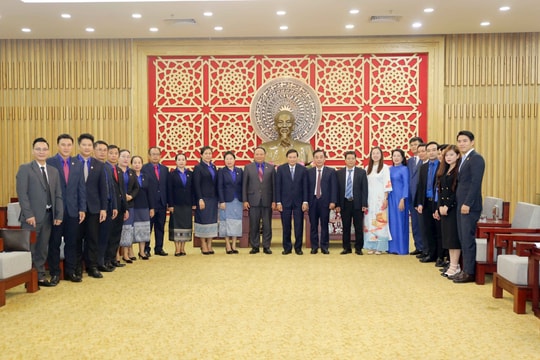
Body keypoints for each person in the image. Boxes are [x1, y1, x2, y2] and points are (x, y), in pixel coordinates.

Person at [16, 137, 63, 287]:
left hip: (49, 216)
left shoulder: (53, 171)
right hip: (32, 217)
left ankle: (40, 277)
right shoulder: (25, 169)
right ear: (32, 151)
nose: (41, 152)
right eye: (38, 149)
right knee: (31, 248)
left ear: (49, 151)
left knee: (43, 248)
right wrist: (29, 214)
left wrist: (58, 214)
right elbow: (22, 194)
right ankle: (28, 278)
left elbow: (58, 195)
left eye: (44, 149)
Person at [46, 134, 86, 284]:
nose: (66, 148)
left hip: (73, 211)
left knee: (72, 242)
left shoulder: (77, 163)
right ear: (58, 146)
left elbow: (81, 188)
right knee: (55, 243)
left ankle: (70, 272)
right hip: (56, 211)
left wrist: (82, 208)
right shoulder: (50, 162)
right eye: (63, 145)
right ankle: (55, 273)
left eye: (69, 145)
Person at [453, 130, 485, 284]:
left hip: (469, 206)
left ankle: (469, 272)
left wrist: (467, 203)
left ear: (472, 142)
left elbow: (475, 183)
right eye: (459, 141)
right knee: (462, 238)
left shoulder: (476, 159)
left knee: (468, 239)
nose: (461, 143)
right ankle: (465, 269)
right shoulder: (464, 159)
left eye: (465, 141)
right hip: (461, 205)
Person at [76, 133, 107, 279]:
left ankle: (92, 267)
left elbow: (103, 188)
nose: (87, 148)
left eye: (89, 145)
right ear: (79, 146)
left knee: (92, 238)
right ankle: (76, 266)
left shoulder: (99, 165)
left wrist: (103, 208)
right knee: (76, 238)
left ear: (92, 147)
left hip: (94, 208)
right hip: (76, 208)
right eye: (84, 145)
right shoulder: (72, 162)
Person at [434, 145, 462, 278]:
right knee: (448, 238)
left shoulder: (458, 170)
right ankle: (452, 264)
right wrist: (439, 207)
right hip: (443, 209)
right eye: (447, 155)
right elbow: (440, 190)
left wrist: (448, 206)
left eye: (451, 155)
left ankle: (455, 266)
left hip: (453, 209)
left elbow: (457, 192)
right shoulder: (444, 170)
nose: (448, 157)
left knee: (453, 238)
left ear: (457, 155)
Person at [242, 146, 275, 254]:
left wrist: (274, 200)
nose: (259, 156)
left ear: (265, 155)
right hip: (253, 200)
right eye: (257, 154)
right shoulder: (248, 167)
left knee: (267, 224)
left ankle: (266, 246)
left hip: (267, 200)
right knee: (254, 224)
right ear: (254, 155)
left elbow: (274, 186)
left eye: (261, 154)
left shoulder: (271, 168)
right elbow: (244, 185)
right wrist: (245, 200)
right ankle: (255, 246)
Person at [275, 149, 309, 255]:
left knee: (299, 225)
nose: (292, 159)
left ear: (297, 158)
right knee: (286, 226)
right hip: (285, 202)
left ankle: (298, 248)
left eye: (294, 157)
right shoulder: (281, 169)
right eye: (290, 157)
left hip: (299, 202)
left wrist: (305, 201)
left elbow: (305, 187)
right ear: (287, 158)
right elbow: (278, 187)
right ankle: (287, 248)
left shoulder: (303, 169)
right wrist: (278, 202)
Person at [336, 151, 368, 255]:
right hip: (344, 203)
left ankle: (358, 248)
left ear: (356, 160)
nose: (350, 160)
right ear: (345, 160)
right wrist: (337, 204)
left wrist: (364, 204)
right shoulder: (339, 173)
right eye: (348, 158)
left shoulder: (361, 172)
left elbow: (364, 190)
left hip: (357, 203)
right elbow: (337, 190)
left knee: (358, 227)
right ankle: (346, 248)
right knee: (346, 227)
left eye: (352, 158)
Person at [307, 149, 337, 254]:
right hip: (312, 201)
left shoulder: (331, 171)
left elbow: (334, 187)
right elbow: (306, 188)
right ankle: (314, 246)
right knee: (313, 225)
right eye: (317, 157)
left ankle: (324, 246)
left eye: (321, 157)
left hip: (325, 202)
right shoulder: (309, 172)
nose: (319, 159)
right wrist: (306, 202)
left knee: (324, 225)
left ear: (325, 159)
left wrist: (333, 201)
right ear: (314, 159)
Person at [415, 141, 441, 263]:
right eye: (428, 150)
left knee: (438, 230)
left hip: (437, 203)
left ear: (437, 151)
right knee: (428, 229)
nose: (431, 152)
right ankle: (431, 254)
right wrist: (419, 203)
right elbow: (420, 187)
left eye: (433, 150)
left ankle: (440, 256)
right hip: (426, 202)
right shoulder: (423, 167)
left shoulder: (443, 166)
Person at [363, 147, 391, 254]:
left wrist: (385, 198)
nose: (375, 155)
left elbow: (387, 183)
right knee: (369, 221)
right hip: (369, 199)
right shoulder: (367, 168)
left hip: (380, 198)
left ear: (381, 155)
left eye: (377, 153)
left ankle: (379, 247)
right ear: (370, 155)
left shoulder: (385, 168)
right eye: (373, 153)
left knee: (380, 222)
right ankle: (371, 246)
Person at [142, 147, 169, 256]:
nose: (155, 156)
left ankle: (159, 248)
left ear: (160, 156)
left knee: (160, 227)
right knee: (148, 227)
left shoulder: (164, 169)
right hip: (150, 203)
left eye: (157, 154)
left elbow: (167, 187)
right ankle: (146, 249)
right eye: (153, 154)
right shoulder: (144, 168)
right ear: (149, 156)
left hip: (162, 202)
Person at [193, 146, 218, 255]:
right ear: (201, 155)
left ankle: (209, 244)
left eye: (210, 153)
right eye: (206, 153)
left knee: (212, 222)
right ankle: (203, 244)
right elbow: (196, 185)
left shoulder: (213, 167)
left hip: (213, 198)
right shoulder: (198, 167)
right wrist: (200, 199)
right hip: (203, 199)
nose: (208, 155)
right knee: (203, 220)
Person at [168, 153, 194, 256]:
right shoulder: (172, 174)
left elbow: (193, 190)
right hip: (176, 204)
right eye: (179, 159)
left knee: (185, 226)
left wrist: (193, 203)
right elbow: (169, 190)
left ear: (186, 161)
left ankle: (183, 248)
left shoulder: (190, 174)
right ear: (176, 161)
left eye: (183, 159)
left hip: (187, 204)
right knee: (176, 226)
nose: (181, 161)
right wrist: (170, 205)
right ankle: (177, 248)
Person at [217, 151, 243, 254]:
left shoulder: (240, 171)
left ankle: (234, 245)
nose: (229, 161)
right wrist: (221, 201)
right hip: (226, 201)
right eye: (227, 159)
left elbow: (243, 186)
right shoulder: (221, 171)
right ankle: (227, 245)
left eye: (231, 159)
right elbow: (219, 187)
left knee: (236, 222)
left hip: (238, 201)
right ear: (224, 160)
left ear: (234, 160)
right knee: (225, 222)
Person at [118, 149, 139, 263]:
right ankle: (116, 255)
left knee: (127, 230)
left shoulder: (131, 172)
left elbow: (137, 188)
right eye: (123, 156)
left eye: (128, 157)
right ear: (119, 158)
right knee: (117, 230)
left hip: (130, 204)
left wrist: (131, 196)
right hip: (118, 204)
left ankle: (125, 254)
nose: (126, 159)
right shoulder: (115, 170)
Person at [131, 155, 153, 260]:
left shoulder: (146, 176)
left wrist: (151, 207)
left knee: (144, 229)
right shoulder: (129, 175)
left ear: (142, 164)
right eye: (135, 162)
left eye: (139, 162)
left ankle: (142, 252)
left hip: (144, 206)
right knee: (131, 229)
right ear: (131, 164)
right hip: (132, 206)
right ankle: (130, 252)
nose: (137, 164)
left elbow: (150, 193)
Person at [387, 149, 410, 255]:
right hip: (391, 198)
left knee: (400, 223)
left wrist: (403, 198)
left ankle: (401, 248)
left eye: (398, 156)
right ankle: (392, 248)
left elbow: (406, 184)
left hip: (400, 198)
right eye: (394, 156)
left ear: (402, 157)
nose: (396, 158)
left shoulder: (405, 169)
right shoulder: (389, 169)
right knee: (391, 222)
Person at [407, 136, 424, 256]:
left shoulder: (425, 160)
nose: (414, 147)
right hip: (411, 198)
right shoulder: (410, 161)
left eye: (416, 144)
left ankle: (425, 248)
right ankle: (418, 246)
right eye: (412, 145)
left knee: (423, 223)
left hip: (421, 198)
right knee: (415, 223)